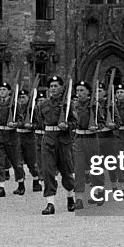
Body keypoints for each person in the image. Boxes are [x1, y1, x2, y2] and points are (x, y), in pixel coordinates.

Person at [32, 75, 76, 215]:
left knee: (66, 171)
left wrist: (67, 125)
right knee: (48, 171)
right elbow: (39, 122)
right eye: (51, 86)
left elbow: (76, 122)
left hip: (63, 140)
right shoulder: (43, 105)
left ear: (62, 88)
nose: (53, 88)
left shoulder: (68, 104)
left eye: (56, 86)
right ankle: (50, 203)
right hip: (48, 139)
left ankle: (70, 197)